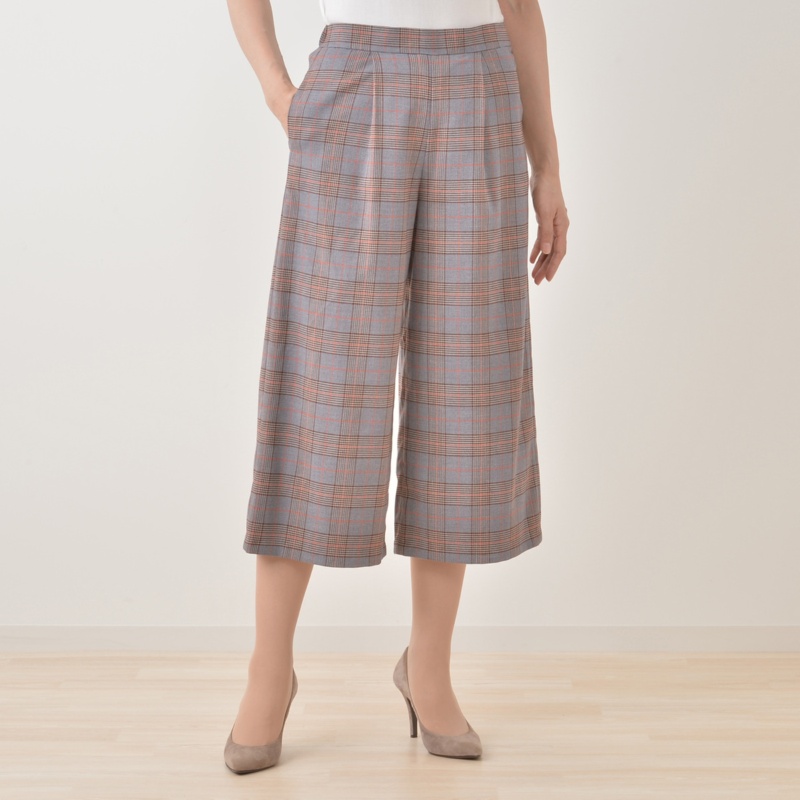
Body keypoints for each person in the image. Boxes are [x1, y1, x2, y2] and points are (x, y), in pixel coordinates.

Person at [223, 0, 569, 772]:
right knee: (320, 386)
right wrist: (280, 94)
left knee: (464, 390)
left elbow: (519, 5)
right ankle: (269, 672)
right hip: (353, 82)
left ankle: (429, 670)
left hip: (480, 86)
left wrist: (547, 167)